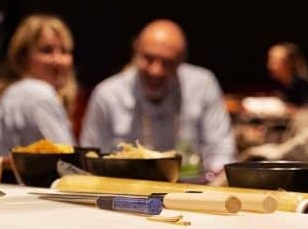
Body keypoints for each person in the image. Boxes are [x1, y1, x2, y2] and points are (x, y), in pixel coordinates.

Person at [80, 19, 236, 181]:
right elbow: (91, 158)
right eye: (148, 58)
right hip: (126, 192)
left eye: (167, 62)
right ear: (136, 51)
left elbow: (221, 151)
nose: (156, 70)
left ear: (181, 61)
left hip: (193, 189)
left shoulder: (203, 84)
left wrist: (216, 178)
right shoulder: (107, 94)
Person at [0, 15, 78, 157]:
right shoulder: (37, 93)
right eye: (46, 50)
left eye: (64, 51)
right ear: (22, 58)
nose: (58, 60)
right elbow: (68, 161)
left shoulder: (8, 94)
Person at [267, 42, 308, 107]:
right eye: (270, 60)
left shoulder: (305, 83)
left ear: (290, 63)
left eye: (275, 62)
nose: (269, 66)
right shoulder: (282, 83)